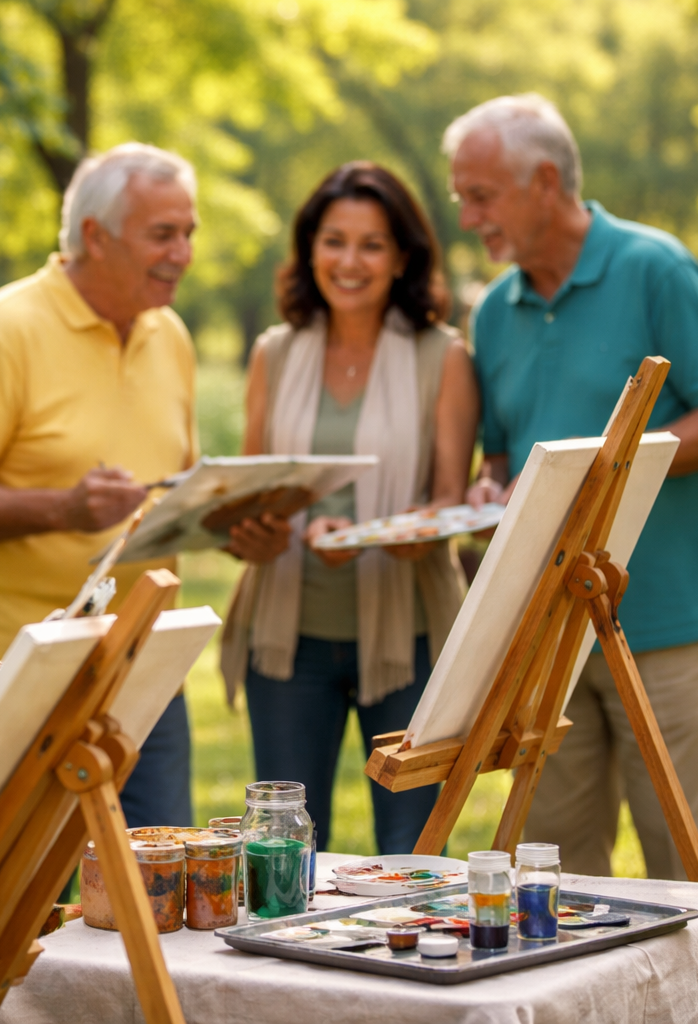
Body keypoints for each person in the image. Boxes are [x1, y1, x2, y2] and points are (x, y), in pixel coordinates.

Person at [446, 94, 698, 884]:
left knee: (690, 872)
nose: (468, 217)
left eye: (481, 196)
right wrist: (489, 488)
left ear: (544, 181)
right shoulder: (492, 314)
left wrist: (601, 471)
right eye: (462, 198)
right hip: (549, 634)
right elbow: (501, 455)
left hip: (670, 622)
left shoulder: (656, 268)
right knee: (554, 873)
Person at [218, 162, 476, 855]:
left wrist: (394, 534)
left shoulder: (441, 357)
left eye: (372, 244)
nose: (350, 261)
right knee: (284, 852)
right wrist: (256, 533)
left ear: (402, 258)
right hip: (288, 639)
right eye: (334, 241)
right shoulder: (275, 354)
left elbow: (452, 501)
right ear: (309, 250)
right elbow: (252, 493)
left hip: (409, 637)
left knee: (414, 853)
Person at [0, 143, 200, 829]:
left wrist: (227, 517)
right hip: (22, 663)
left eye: (189, 232)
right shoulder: (5, 331)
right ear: (96, 235)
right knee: (12, 894)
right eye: (163, 234)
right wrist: (65, 508)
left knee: (153, 877)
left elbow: (175, 480)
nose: (183, 252)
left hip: (146, 657)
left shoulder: (171, 334)